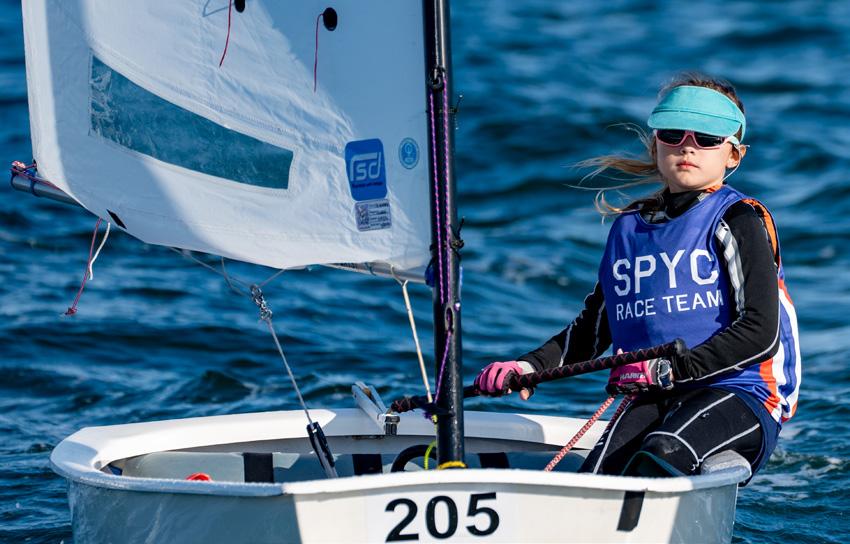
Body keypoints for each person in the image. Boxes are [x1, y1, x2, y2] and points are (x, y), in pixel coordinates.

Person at [474, 74, 800, 479]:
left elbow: (761, 332)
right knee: (594, 479)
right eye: (673, 134)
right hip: (656, 393)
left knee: (664, 449)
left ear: (733, 155)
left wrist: (675, 369)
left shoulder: (738, 219)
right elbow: (594, 329)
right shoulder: (629, 228)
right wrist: (528, 367)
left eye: (706, 138)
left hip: (741, 391)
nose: (687, 146)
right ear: (655, 144)